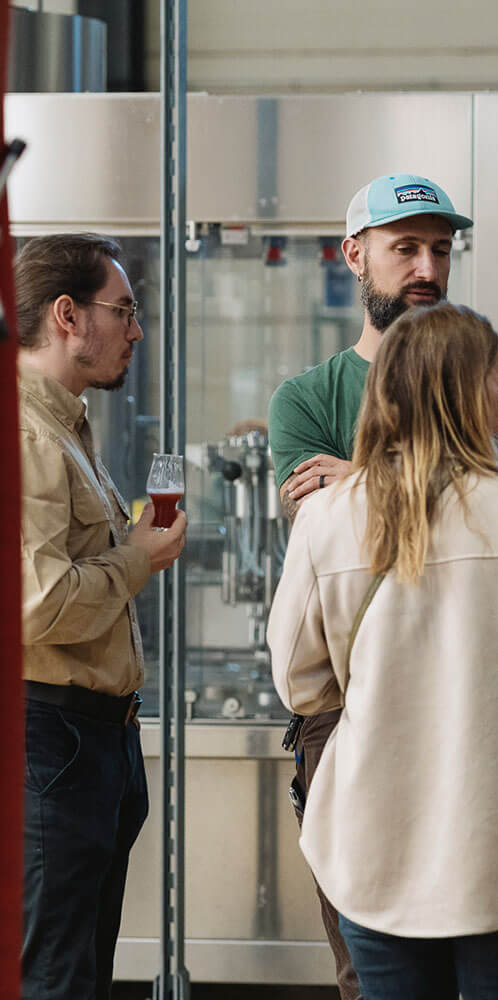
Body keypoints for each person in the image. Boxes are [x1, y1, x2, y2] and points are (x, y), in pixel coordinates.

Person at [268, 172, 498, 999]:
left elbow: (297, 667)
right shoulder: (305, 397)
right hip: (385, 740)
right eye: (406, 247)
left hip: (473, 735)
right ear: (355, 256)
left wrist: (364, 478)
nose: (426, 267)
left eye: (440, 249)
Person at [16, 233, 188, 999]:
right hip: (50, 740)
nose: (136, 331)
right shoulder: (24, 435)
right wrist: (138, 560)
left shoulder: (66, 426)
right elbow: (37, 605)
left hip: (94, 741)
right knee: (54, 975)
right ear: (66, 316)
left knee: (79, 970)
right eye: (123, 311)